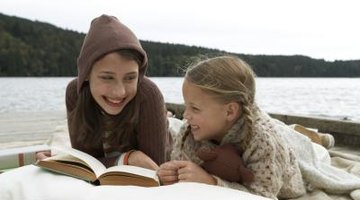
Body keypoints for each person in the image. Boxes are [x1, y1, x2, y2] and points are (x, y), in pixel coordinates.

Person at [157, 56, 307, 199]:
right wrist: (171, 176)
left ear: (230, 111)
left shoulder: (264, 140)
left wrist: (212, 182)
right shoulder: (189, 131)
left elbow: (262, 196)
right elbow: (184, 176)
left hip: (285, 161)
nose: (185, 115)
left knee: (307, 149)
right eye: (186, 106)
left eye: (195, 109)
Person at [37, 14, 172, 170]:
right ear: (86, 73)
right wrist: (128, 159)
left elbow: (155, 167)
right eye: (107, 78)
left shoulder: (149, 94)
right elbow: (86, 161)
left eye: (130, 78)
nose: (119, 92)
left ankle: (168, 117)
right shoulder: (76, 92)